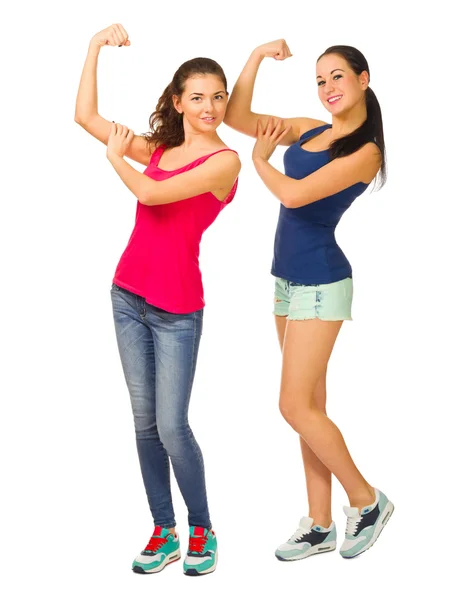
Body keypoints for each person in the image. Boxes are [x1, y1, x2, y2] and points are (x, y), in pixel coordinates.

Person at [74, 23, 241, 576]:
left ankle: (202, 529)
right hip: (127, 296)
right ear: (178, 101)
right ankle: (163, 530)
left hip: (177, 312)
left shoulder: (225, 163)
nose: (209, 106)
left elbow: (149, 191)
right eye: (197, 97)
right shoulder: (163, 148)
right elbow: (87, 119)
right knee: (144, 423)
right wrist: (94, 47)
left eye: (218, 96)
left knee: (173, 425)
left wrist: (117, 161)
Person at [224, 40, 393, 560]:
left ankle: (366, 501)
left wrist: (258, 159)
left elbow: (294, 196)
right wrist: (253, 57)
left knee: (293, 405)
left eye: (337, 77)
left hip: (322, 283)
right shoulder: (309, 128)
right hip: (286, 281)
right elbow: (237, 117)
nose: (327, 89)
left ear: (364, 80)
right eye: (320, 81)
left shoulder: (366, 152)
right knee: (309, 409)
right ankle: (320, 524)